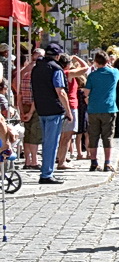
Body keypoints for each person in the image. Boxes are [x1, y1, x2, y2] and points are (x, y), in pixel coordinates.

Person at [30, 43, 70, 185]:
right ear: (58, 56)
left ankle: (46, 171)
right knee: (51, 143)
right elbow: (61, 92)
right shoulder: (56, 69)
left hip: (41, 109)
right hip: (54, 109)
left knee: (46, 142)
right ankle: (47, 173)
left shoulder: (36, 69)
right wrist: (69, 111)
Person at [83, 51, 119, 174]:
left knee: (93, 136)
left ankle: (93, 162)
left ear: (95, 62)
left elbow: (86, 93)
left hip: (94, 109)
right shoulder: (114, 73)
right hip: (109, 108)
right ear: (107, 61)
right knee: (107, 137)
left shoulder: (92, 76)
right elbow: (115, 70)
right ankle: (107, 163)